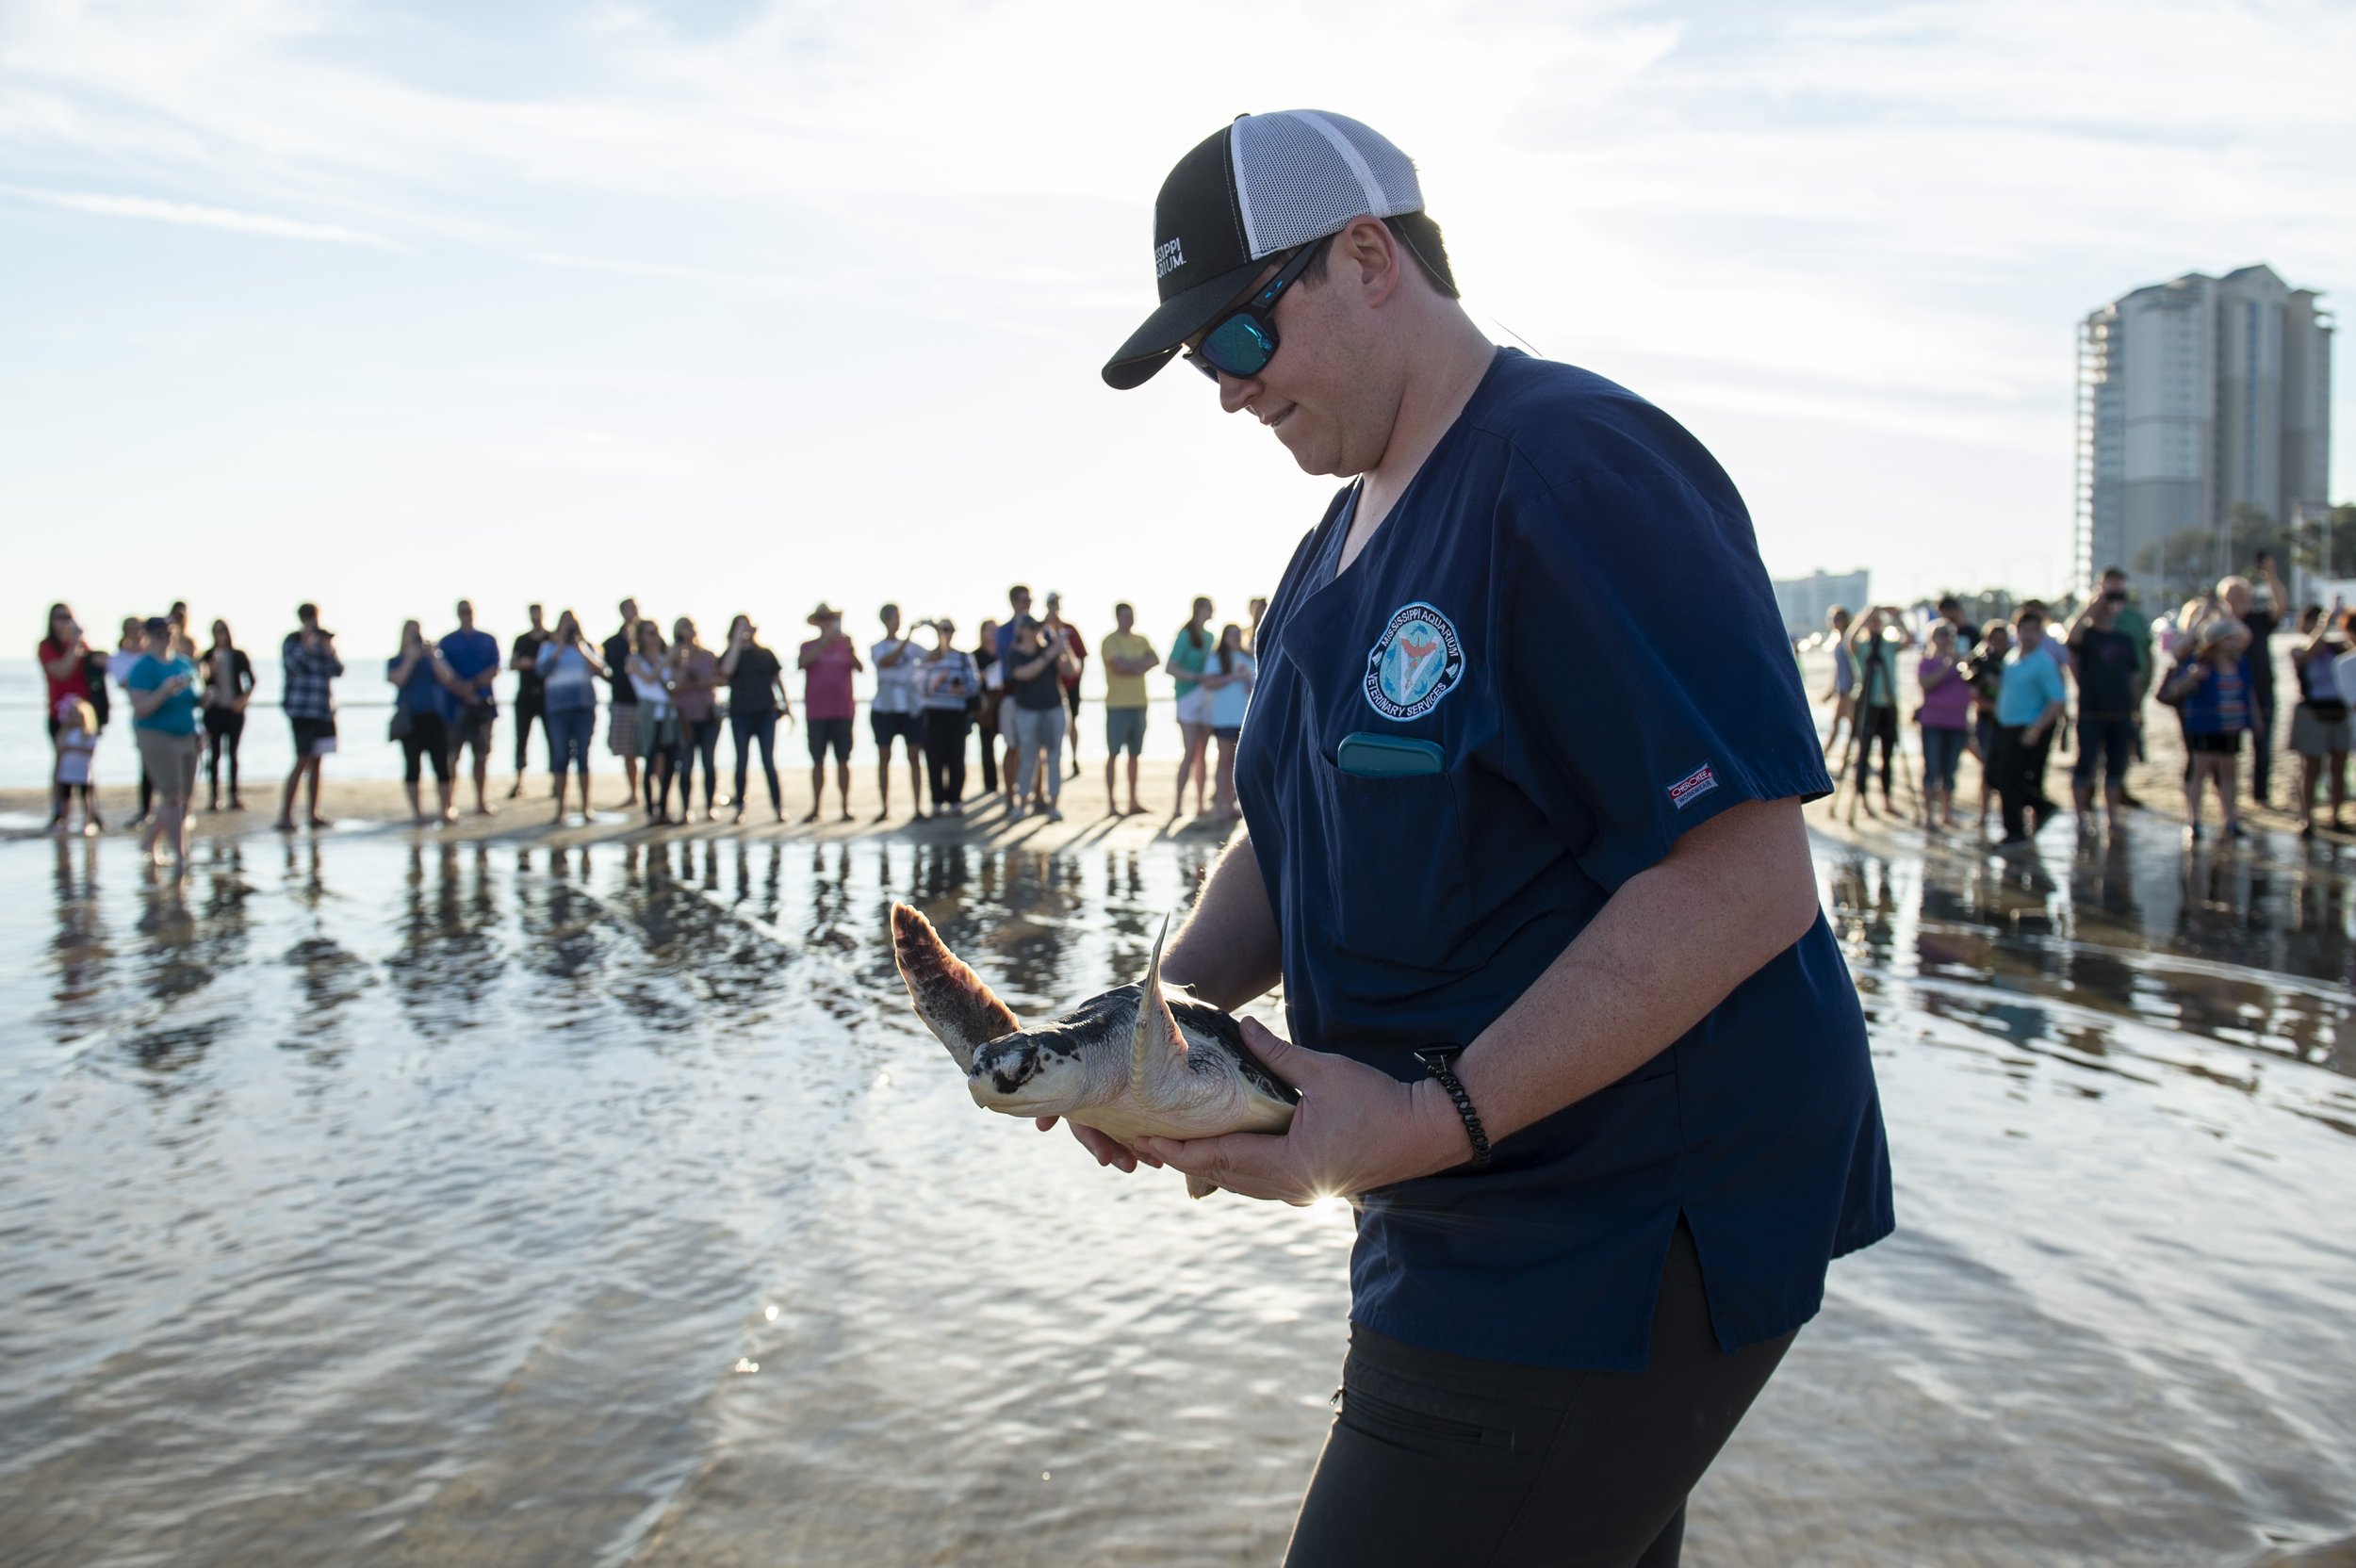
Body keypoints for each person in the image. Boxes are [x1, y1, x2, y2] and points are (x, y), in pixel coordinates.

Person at [1087, 111, 1889, 1568]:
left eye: (1239, 340)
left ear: (1369, 257)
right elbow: (1294, 832)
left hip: (1619, 1208)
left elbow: (1746, 878)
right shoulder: (1333, 547)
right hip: (1447, 1198)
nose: (1223, 392)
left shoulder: (1574, 468)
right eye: (1200, 365)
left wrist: (1427, 1115)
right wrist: (1165, 1027)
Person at [2162, 606, 2258, 841]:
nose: (2235, 642)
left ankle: (2231, 819)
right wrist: (2191, 678)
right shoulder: (2200, 663)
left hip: (2232, 726)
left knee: (2229, 772)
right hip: (2204, 726)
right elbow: (2175, 689)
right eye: (2229, 639)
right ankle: (2193, 820)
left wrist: (2255, 719)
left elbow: (2249, 691)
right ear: (2217, 641)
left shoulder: (2240, 663)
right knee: (2200, 771)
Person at [126, 616, 202, 867]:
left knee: (183, 796)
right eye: (159, 634)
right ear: (149, 636)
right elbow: (141, 708)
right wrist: (165, 690)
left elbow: (194, 698)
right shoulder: (142, 668)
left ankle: (149, 842)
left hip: (186, 733)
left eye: (169, 632)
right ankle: (182, 855)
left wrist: (206, 699)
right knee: (171, 795)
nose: (165, 638)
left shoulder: (184, 663)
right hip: (156, 735)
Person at [2065, 585, 2139, 832]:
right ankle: (2079, 818)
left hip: (2120, 713)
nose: (2107, 610)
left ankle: (2111, 817)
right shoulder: (2086, 636)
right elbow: (2070, 637)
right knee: (2085, 765)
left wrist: (2136, 707)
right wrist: (2092, 603)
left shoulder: (2125, 639)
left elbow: (2134, 676)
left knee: (2116, 767)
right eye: (2103, 606)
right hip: (2091, 712)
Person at [1991, 608, 2068, 846]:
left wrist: (2036, 729)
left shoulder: (2043, 662)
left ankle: (2015, 831)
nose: (2029, 635)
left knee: (2010, 779)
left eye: (2035, 631)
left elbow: (2057, 700)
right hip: (2006, 725)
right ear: (2017, 631)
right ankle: (2041, 806)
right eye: (2025, 630)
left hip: (2027, 728)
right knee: (1995, 776)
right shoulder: (2012, 657)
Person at [385, 620, 462, 825]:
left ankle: (445, 809)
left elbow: (448, 677)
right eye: (411, 634)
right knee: (413, 766)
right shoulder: (397, 660)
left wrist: (434, 655)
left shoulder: (432, 658)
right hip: (410, 719)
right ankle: (417, 813)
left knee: (442, 764)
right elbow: (397, 680)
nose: (416, 637)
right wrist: (410, 659)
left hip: (435, 717)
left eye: (418, 633)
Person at [2228, 554, 2288, 808]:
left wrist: (2270, 575)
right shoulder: (2222, 624)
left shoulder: (2258, 619)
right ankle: (2227, 796)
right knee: (2228, 748)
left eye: (2244, 593)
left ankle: (2260, 795)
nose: (2242, 598)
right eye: (2235, 594)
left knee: (2263, 745)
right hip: (2230, 693)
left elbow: (2281, 606)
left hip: (2263, 690)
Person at [277, 603, 343, 833]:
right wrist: (307, 643)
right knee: (302, 759)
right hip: (301, 710)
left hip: (323, 709)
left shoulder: (323, 642)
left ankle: (313, 813)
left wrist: (329, 648)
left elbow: (338, 670)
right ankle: (285, 815)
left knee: (317, 761)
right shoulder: (292, 641)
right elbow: (292, 665)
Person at [535, 610, 606, 825]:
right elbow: (541, 671)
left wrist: (581, 649)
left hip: (583, 707)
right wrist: (558, 648)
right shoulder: (548, 648)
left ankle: (586, 808)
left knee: (582, 756)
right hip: (558, 709)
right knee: (560, 757)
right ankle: (560, 809)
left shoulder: (586, 647)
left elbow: (603, 671)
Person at [1003, 617, 1075, 823]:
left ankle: (1053, 806)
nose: (1034, 631)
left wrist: (1063, 647)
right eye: (1030, 627)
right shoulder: (1016, 653)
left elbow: (1070, 670)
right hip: (1027, 711)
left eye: (1036, 627)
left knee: (1054, 758)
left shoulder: (1050, 649)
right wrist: (1050, 653)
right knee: (1028, 759)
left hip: (1053, 708)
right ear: (1021, 631)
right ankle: (1022, 805)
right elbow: (1022, 674)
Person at [2287, 602, 2350, 837]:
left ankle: (2336, 816)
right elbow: (2305, 655)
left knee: (2339, 768)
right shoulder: (2297, 649)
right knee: (2310, 768)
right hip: (2311, 713)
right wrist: (2325, 622)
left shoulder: (2339, 648)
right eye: (2311, 620)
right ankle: (2308, 819)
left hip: (2339, 712)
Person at [721, 613, 790, 825]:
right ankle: (740, 808)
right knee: (741, 762)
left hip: (765, 713)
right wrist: (736, 642)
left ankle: (778, 807)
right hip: (740, 715)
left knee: (768, 761)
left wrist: (786, 706)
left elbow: (777, 680)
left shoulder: (765, 654)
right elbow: (726, 671)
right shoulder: (730, 654)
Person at [798, 603, 861, 823]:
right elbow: (802, 663)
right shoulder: (808, 645)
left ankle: (845, 807)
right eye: (823, 618)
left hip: (843, 711)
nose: (827, 622)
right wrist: (825, 641)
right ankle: (816, 808)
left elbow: (860, 668)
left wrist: (850, 647)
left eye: (830, 618)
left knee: (843, 759)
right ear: (817, 622)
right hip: (816, 713)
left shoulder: (845, 644)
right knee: (817, 761)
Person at [439, 600, 502, 817]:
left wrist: (473, 686)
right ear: (457, 614)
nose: (466, 615)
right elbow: (443, 673)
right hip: (454, 707)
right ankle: (449, 803)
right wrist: (463, 690)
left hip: (482, 706)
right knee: (451, 757)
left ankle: (481, 801)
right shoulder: (447, 642)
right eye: (462, 612)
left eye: (469, 611)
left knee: (481, 755)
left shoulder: (487, 640)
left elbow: (495, 668)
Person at [1846, 606, 1910, 815]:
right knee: (1863, 752)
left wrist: (1897, 617)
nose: (1875, 623)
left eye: (1877, 620)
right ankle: (1862, 800)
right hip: (1867, 704)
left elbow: (1909, 640)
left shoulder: (1888, 646)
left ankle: (1887, 800)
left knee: (1887, 753)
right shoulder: (1864, 647)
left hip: (1888, 704)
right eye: (1871, 621)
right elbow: (1849, 642)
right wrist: (1864, 616)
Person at [2099, 567, 2154, 803]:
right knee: (2097, 745)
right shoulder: (2093, 613)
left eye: (2120, 583)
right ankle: (2095, 791)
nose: (2116, 588)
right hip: (2098, 693)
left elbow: (2148, 652)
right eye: (2111, 583)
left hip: (2132, 691)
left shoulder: (2135, 617)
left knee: (2128, 742)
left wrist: (2145, 687)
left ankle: (2120, 786)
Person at [39, 603, 96, 830]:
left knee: (87, 762)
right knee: (61, 763)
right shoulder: (46, 647)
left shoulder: (82, 646)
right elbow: (61, 671)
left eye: (67, 617)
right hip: (59, 715)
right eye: (59, 617)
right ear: (51, 622)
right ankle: (59, 813)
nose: (63, 622)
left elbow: (95, 671)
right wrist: (73, 646)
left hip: (84, 716)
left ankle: (91, 813)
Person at [870, 604, 927, 822]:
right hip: (884, 709)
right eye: (894, 617)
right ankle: (884, 808)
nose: (898, 621)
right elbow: (887, 661)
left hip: (910, 710)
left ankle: (918, 807)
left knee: (914, 756)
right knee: (884, 756)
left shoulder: (913, 646)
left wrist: (938, 632)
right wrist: (909, 637)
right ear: (885, 620)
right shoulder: (877, 647)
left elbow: (935, 656)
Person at [1101, 601, 1159, 816]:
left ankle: (1133, 801)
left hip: (1139, 703)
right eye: (1125, 615)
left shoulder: (1141, 639)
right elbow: (1118, 666)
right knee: (1113, 754)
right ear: (1117, 617)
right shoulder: (1109, 641)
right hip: (1117, 705)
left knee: (1135, 754)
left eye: (1131, 615)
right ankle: (1111, 804)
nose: (1129, 619)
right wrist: (1139, 665)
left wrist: (1131, 666)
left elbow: (1155, 660)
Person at [917, 617, 980, 816]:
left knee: (956, 756)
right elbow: (919, 685)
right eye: (942, 630)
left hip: (956, 713)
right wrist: (936, 683)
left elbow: (974, 683)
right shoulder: (928, 657)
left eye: (949, 629)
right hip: (934, 712)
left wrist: (961, 689)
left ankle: (955, 799)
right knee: (934, 758)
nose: (946, 633)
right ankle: (936, 800)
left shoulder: (962, 657)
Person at [1916, 623, 1971, 831]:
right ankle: (1929, 815)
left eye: (1949, 635)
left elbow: (1973, 688)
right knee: (1932, 769)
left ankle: (1946, 814)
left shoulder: (1962, 663)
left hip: (1957, 722)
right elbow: (1926, 684)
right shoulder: (1927, 662)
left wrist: (1962, 665)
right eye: (1941, 635)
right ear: (1932, 637)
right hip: (1933, 722)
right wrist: (1947, 666)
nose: (1946, 639)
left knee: (1950, 770)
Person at [1197, 620, 1255, 817]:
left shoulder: (1249, 657)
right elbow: (1208, 683)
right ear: (1224, 637)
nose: (1236, 637)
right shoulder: (1216, 658)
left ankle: (1233, 805)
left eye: (1238, 633)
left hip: (1245, 718)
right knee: (1224, 762)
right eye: (1231, 634)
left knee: (1240, 764)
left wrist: (1247, 681)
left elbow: (1256, 685)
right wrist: (1231, 677)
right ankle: (1221, 805)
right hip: (1224, 718)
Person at [669, 616, 723, 823]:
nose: (688, 631)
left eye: (690, 626)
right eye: (683, 628)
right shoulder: (674, 658)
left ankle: (710, 806)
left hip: (709, 715)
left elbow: (721, 678)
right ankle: (686, 809)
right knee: (686, 764)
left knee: (709, 762)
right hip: (685, 718)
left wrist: (705, 681)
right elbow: (675, 687)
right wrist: (682, 662)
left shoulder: (708, 655)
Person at [199, 619, 254, 811]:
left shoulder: (238, 655)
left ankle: (234, 795)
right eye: (215, 631)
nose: (219, 635)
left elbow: (251, 680)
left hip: (234, 710)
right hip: (214, 711)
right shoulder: (207, 656)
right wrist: (209, 669)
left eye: (222, 631)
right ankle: (214, 797)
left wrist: (243, 700)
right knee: (213, 754)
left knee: (232, 753)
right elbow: (200, 683)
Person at [1960, 620, 2011, 831]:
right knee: (1988, 767)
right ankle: (1984, 813)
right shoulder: (1979, 661)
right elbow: (1970, 688)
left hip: (2009, 720)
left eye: (2003, 639)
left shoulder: (2013, 660)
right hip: (1987, 719)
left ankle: (2008, 813)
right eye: (1995, 639)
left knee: (2009, 768)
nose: (1999, 643)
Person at [627, 620, 679, 824]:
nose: (655, 636)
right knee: (650, 763)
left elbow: (673, 685)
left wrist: (675, 661)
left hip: (669, 716)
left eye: (656, 632)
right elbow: (648, 679)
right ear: (640, 636)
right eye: (650, 633)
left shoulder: (665, 658)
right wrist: (667, 661)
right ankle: (650, 812)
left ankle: (664, 809)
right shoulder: (633, 660)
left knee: (671, 763)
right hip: (649, 716)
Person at [1168, 596, 1216, 818]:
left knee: (1202, 754)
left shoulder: (1210, 637)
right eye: (1209, 607)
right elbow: (1171, 667)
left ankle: (1199, 804)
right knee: (1189, 752)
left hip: (1205, 697)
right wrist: (1197, 677)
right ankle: (1177, 804)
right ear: (1199, 610)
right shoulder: (1185, 635)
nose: (1212, 611)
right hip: (1186, 696)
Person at [106, 616, 152, 829]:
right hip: (141, 714)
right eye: (133, 629)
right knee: (146, 763)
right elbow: (125, 683)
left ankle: (173, 810)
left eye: (140, 629)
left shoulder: (153, 654)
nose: (138, 633)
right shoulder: (119, 658)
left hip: (166, 710)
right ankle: (146, 810)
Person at [508, 603, 551, 801]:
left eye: (538, 615)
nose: (536, 619)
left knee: (553, 739)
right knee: (521, 739)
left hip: (547, 696)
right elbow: (512, 663)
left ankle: (556, 781)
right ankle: (519, 781)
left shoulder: (551, 639)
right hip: (525, 696)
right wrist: (523, 664)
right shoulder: (522, 640)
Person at [604, 599, 644, 809]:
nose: (633, 612)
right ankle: (633, 792)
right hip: (622, 701)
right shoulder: (611, 643)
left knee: (654, 750)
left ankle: (652, 792)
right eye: (629, 609)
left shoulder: (651, 637)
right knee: (628, 751)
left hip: (647, 703)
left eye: (636, 608)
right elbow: (605, 671)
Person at [1044, 591, 1088, 777]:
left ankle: (1074, 758)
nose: (1055, 606)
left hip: (1071, 685)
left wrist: (1076, 680)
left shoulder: (1070, 629)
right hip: (1049, 687)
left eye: (1057, 602)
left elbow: (1081, 656)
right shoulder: (1043, 628)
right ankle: (1050, 762)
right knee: (1048, 726)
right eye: (1052, 602)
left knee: (1072, 723)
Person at [996, 586, 1034, 803]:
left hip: (1035, 695)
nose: (1027, 604)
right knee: (1012, 747)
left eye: (1029, 599)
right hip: (1012, 693)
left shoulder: (1039, 628)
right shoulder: (1004, 631)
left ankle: (1036, 795)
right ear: (1013, 602)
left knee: (1036, 749)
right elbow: (1009, 657)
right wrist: (1021, 629)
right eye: (1023, 600)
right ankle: (1010, 797)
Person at [51, 697, 102, 836]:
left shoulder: (88, 734)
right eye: (71, 715)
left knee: (85, 797)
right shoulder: (65, 733)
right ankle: (65, 822)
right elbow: (59, 750)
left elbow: (91, 751)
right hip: (66, 771)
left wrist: (71, 748)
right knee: (65, 798)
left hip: (83, 772)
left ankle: (88, 821)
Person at [973, 618, 1004, 799]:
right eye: (989, 630)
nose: (993, 634)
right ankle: (990, 784)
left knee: (1011, 743)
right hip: (985, 704)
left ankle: (1011, 781)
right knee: (986, 744)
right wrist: (982, 677)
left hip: (1001, 700)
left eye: (995, 630)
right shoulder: (975, 655)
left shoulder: (1003, 652)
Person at [1821, 604, 1856, 760]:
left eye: (1839, 618)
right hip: (1841, 689)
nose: (1836, 622)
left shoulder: (1849, 640)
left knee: (1841, 722)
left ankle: (1826, 755)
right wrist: (1831, 690)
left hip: (1848, 690)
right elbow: (1837, 670)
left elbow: (1854, 668)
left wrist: (1851, 688)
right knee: (1850, 723)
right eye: (1834, 619)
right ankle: (1846, 755)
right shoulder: (1837, 641)